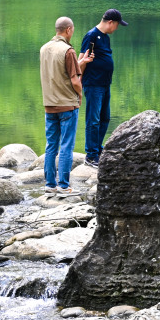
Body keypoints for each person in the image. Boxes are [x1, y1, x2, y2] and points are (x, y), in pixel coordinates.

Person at [39, 16, 94, 195]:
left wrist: (82, 62)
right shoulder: (68, 51)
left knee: (51, 145)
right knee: (66, 146)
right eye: (73, 30)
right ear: (68, 30)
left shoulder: (44, 48)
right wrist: (79, 95)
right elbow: (74, 80)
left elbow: (59, 72)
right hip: (67, 106)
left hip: (49, 104)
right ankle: (63, 185)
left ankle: (49, 184)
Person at [78, 9, 127, 167]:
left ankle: (97, 148)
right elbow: (82, 59)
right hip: (93, 84)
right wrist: (79, 81)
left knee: (105, 118)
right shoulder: (92, 35)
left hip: (105, 83)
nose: (117, 29)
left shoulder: (105, 37)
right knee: (93, 120)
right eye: (117, 25)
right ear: (110, 22)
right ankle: (91, 155)